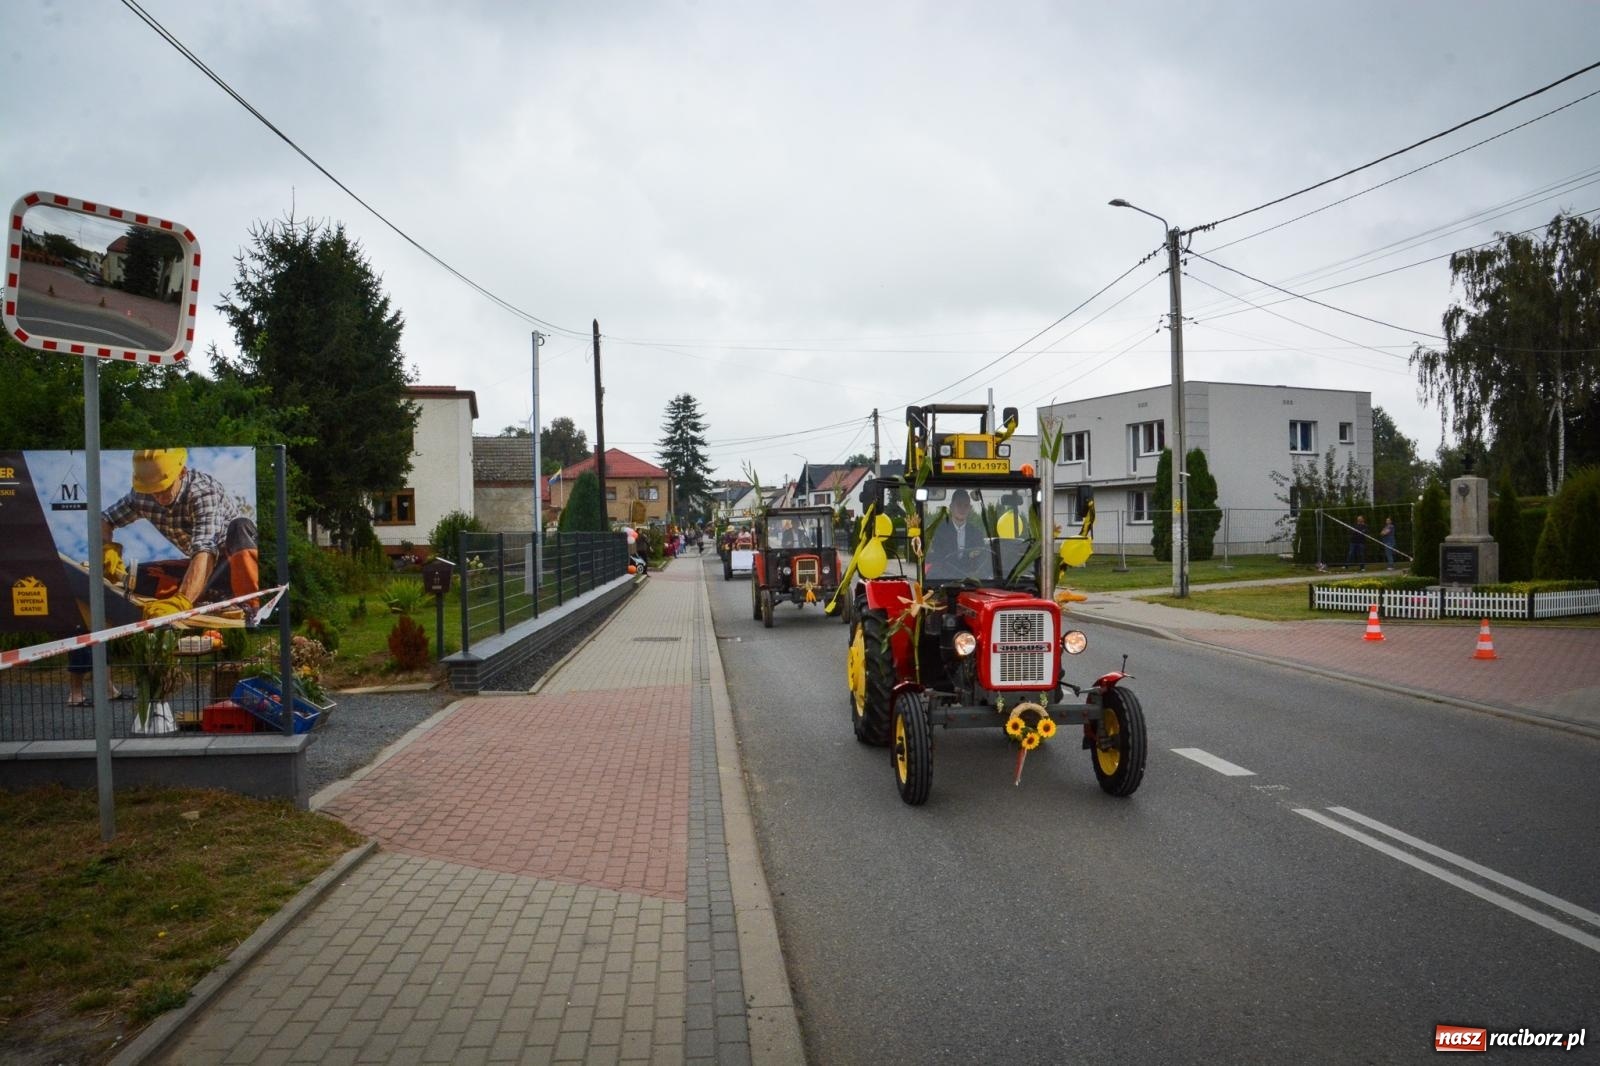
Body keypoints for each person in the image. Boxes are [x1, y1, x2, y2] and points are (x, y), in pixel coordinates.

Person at [101, 448, 259, 621]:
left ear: (182, 472)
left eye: (164, 489)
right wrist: (106, 548)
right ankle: (214, 597)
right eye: (152, 491)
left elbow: (205, 549)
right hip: (206, 570)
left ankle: (250, 606)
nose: (158, 497)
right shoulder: (141, 496)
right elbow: (104, 519)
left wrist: (181, 602)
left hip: (232, 562)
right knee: (137, 576)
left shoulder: (202, 492)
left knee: (240, 526)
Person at [927, 489, 985, 579]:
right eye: (959, 505)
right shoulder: (939, 532)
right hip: (943, 580)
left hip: (970, 581)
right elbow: (936, 558)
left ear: (970, 509)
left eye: (966, 506)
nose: (962, 509)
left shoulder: (976, 534)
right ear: (951, 507)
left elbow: (981, 561)